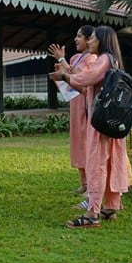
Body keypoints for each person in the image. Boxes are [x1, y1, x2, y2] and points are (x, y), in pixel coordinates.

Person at [50, 25, 132, 228]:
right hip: (112, 119)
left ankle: (92, 213)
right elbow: (86, 86)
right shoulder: (113, 59)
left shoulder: (102, 59)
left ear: (102, 41)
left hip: (100, 119)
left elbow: (85, 78)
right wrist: (67, 76)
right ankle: (111, 206)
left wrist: (64, 76)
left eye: (92, 38)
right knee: (112, 160)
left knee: (97, 163)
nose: (89, 42)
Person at [48, 25, 97, 195]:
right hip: (75, 104)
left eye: (79, 36)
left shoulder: (92, 59)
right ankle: (84, 183)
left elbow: (82, 78)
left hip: (86, 103)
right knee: (77, 143)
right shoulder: (76, 57)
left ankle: (92, 186)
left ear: (89, 39)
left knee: (87, 142)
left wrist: (63, 61)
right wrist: (60, 74)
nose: (76, 39)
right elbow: (70, 79)